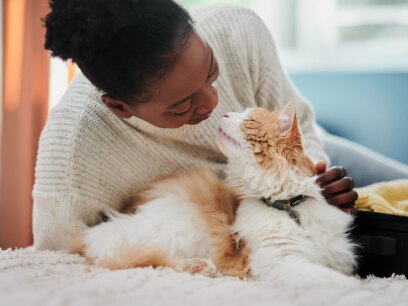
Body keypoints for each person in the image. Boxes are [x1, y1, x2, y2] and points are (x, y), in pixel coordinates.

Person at [34, 0, 360, 251]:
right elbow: (60, 261)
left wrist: (314, 182)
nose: (213, 102)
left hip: (302, 165)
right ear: (120, 107)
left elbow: (298, 124)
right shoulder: (73, 154)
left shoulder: (239, 30)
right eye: (182, 106)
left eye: (211, 70)